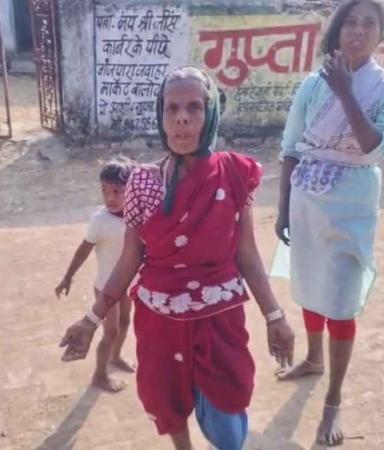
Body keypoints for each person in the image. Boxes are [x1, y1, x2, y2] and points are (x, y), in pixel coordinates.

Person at [59, 66, 295, 450]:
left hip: (219, 318)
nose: (182, 118)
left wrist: (275, 316)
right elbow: (130, 258)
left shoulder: (234, 174)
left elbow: (247, 254)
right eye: (172, 108)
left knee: (228, 412)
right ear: (161, 115)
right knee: (164, 398)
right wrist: (91, 319)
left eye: (194, 107)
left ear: (210, 113)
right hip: (159, 318)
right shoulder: (143, 182)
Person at [273, 0, 384, 446]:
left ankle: (333, 400)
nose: (358, 30)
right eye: (350, 21)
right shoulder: (312, 84)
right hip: (306, 200)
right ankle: (314, 359)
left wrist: (347, 92)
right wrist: (282, 208)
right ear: (337, 29)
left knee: (343, 300)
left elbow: (376, 147)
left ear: (381, 34)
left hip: (353, 205)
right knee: (311, 282)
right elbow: (291, 147)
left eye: (369, 23)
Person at [55, 158, 137, 393]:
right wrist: (68, 277)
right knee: (110, 331)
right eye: (104, 191)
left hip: (128, 284)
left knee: (125, 322)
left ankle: (115, 357)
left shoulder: (136, 216)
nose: (110, 197)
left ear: (132, 190)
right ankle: (99, 375)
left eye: (117, 191)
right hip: (105, 287)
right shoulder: (100, 220)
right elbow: (83, 249)